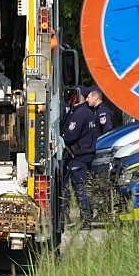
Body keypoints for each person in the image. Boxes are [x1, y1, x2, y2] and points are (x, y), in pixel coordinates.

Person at [61, 87, 99, 229]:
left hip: (77, 156)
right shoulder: (88, 112)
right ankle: (85, 216)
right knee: (82, 186)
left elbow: (70, 135)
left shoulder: (79, 113)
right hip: (85, 155)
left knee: (79, 187)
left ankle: (86, 219)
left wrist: (60, 139)